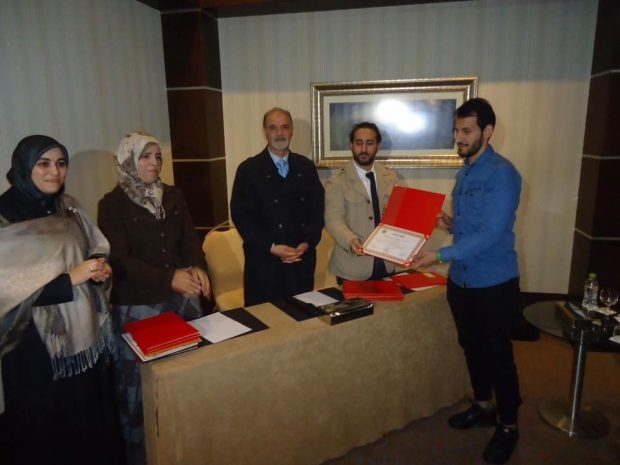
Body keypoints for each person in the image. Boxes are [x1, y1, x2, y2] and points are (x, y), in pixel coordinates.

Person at [0, 135, 123, 465]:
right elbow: (5, 288)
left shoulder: (68, 206)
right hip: (35, 346)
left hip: (83, 334)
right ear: (24, 166)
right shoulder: (5, 215)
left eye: (60, 163)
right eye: (43, 164)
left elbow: (93, 246)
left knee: (88, 417)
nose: (54, 172)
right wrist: (71, 279)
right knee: (48, 429)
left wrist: (99, 267)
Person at [412, 98, 522, 464]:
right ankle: (484, 405)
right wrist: (451, 224)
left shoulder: (503, 174)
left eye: (466, 131)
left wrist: (439, 255)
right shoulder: (464, 174)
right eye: (456, 130)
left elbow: (491, 234)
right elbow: (472, 227)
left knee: (498, 354)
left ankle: (508, 424)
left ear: (487, 132)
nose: (458, 137)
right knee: (471, 346)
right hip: (462, 281)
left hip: (493, 282)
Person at [98, 132, 211, 465]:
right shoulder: (112, 204)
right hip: (139, 306)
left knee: (184, 379)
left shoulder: (173, 195)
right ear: (128, 160)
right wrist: (169, 278)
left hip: (181, 299)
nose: (154, 163)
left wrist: (198, 266)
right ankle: (142, 455)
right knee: (141, 389)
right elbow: (120, 260)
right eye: (145, 157)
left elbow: (190, 240)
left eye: (158, 156)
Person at [230, 107, 324, 306]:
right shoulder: (248, 170)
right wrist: (271, 247)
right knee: (265, 321)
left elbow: (317, 212)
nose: (279, 133)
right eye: (273, 128)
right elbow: (242, 217)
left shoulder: (306, 167)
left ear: (292, 130)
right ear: (265, 131)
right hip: (264, 264)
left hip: (300, 262)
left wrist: (307, 243)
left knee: (302, 318)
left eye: (285, 127)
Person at [324, 122, 400, 282]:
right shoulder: (337, 181)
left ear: (378, 146)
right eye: (359, 143)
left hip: (386, 263)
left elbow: (398, 213)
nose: (364, 149)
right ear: (351, 145)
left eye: (369, 143)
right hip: (352, 267)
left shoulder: (390, 177)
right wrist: (350, 239)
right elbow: (333, 219)